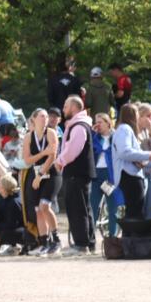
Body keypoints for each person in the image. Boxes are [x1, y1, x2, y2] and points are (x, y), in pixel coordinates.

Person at [54, 95, 95, 255]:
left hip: (76, 172)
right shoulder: (80, 124)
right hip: (80, 173)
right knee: (85, 208)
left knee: (77, 209)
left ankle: (81, 244)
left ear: (74, 108)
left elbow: (73, 149)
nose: (63, 110)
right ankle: (89, 242)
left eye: (65, 106)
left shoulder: (78, 126)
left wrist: (60, 161)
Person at [112, 103, 151, 221]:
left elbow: (137, 154)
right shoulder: (124, 129)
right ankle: (132, 238)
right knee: (135, 212)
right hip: (129, 175)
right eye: (137, 114)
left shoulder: (127, 129)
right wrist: (149, 155)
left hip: (135, 174)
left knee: (136, 211)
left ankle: (135, 237)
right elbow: (125, 152)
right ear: (133, 115)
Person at [22, 109, 62, 256]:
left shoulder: (51, 133)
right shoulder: (28, 137)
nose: (45, 119)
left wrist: (40, 174)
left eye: (46, 116)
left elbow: (52, 156)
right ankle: (44, 242)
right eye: (41, 116)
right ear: (33, 119)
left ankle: (56, 240)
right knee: (38, 210)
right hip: (36, 175)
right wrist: (42, 153)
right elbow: (27, 159)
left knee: (45, 206)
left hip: (50, 174)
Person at [90, 113, 122, 238]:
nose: (97, 125)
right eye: (96, 122)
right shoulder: (94, 137)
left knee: (112, 208)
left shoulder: (115, 136)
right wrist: (92, 133)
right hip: (96, 175)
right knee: (92, 207)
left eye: (100, 122)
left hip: (110, 176)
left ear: (108, 123)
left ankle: (112, 238)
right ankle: (90, 238)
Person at [0, 174, 25, 256]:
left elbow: (11, 224)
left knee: (3, 231)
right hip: (13, 227)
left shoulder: (13, 202)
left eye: (0, 183)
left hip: (21, 231)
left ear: (4, 188)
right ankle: (11, 245)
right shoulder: (3, 198)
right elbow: (1, 218)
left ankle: (14, 246)